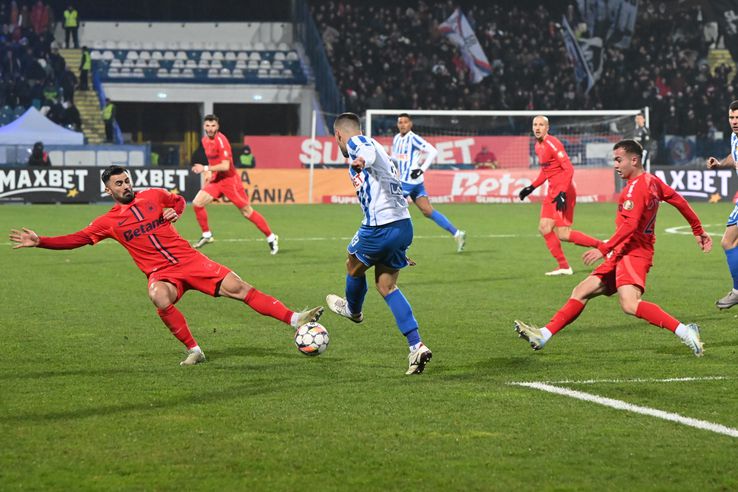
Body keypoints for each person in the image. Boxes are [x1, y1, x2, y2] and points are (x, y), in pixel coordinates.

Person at [9, 165, 323, 366]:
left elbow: (179, 201)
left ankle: (294, 318)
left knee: (239, 287)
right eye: (118, 184)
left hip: (190, 260)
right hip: (163, 274)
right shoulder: (108, 222)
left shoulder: (153, 196)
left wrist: (175, 213)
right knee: (158, 295)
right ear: (109, 189)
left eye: (127, 180)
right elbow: (77, 238)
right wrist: (42, 241)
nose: (125, 186)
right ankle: (194, 350)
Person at [514, 140, 712, 357]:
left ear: (634, 160)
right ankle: (544, 334)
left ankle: (686, 331)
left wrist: (603, 247)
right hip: (623, 250)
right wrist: (697, 229)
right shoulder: (651, 181)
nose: (615, 165)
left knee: (630, 304)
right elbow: (678, 200)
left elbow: (631, 224)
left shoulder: (636, 188)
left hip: (634, 252)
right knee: (581, 291)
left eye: (619, 160)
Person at [326, 113, 432, 375]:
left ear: (338, 134)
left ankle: (353, 310)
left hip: (380, 226)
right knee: (387, 286)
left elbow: (364, 150)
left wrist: (360, 160)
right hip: (402, 226)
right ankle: (416, 346)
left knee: (352, 266)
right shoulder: (378, 149)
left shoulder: (357, 143)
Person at [518, 115, 602, 275]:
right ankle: (564, 266)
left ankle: (603, 247)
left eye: (541, 125)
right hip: (553, 191)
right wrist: (531, 187)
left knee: (563, 233)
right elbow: (546, 171)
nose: (537, 127)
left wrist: (562, 192)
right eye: (535, 124)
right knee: (544, 227)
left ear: (547, 128)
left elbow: (569, 169)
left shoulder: (552, 143)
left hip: (564, 190)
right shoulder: (538, 146)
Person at [190, 114, 278, 254]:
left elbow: (225, 166)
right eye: (208, 125)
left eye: (213, 126)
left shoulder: (222, 141)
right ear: (204, 126)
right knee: (197, 203)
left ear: (218, 126)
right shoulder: (205, 140)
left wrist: (205, 168)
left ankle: (271, 237)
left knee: (247, 212)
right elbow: (214, 161)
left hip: (230, 181)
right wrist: (209, 173)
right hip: (217, 180)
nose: (210, 128)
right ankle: (207, 235)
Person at [391, 113, 466, 253]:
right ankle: (457, 233)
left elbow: (433, 151)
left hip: (409, 181)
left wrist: (421, 169)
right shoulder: (396, 139)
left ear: (410, 124)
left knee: (391, 208)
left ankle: (394, 244)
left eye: (405, 122)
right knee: (427, 211)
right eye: (400, 122)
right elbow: (395, 159)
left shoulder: (413, 138)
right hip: (413, 182)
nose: (402, 124)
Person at [706, 99, 738, 309]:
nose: (734, 121)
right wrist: (720, 164)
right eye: (731, 117)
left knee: (728, 242)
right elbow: (733, 157)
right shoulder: (734, 137)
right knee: (729, 242)